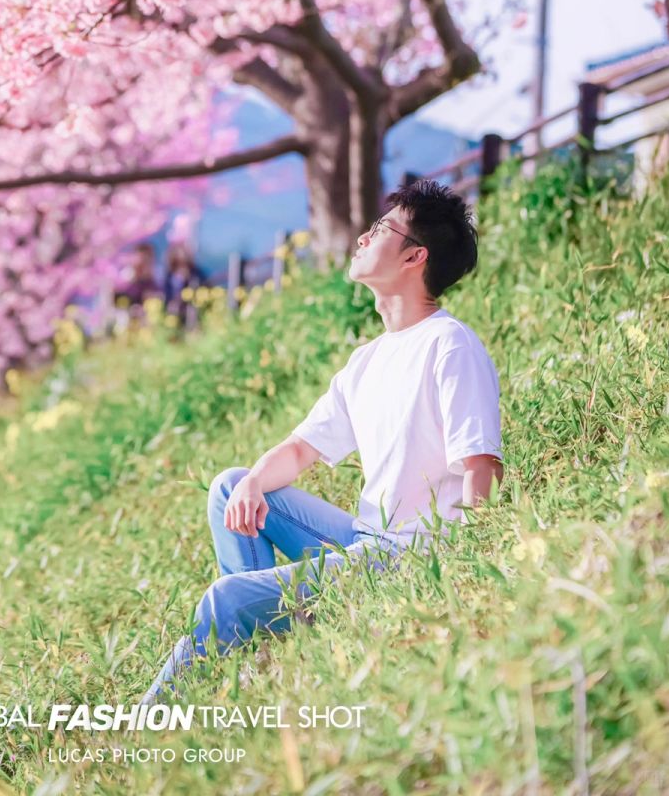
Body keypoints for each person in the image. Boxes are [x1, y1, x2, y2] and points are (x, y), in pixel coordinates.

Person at [138, 179, 503, 703]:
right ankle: (265, 647)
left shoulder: (450, 346)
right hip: (365, 540)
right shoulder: (369, 360)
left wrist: (470, 571)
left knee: (228, 597)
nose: (362, 238)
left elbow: (481, 463)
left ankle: (146, 721)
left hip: (413, 556)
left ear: (414, 256)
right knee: (232, 487)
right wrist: (253, 484)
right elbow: (300, 449)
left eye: (380, 229)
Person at [163, 241, 203, 335]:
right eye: (178, 263)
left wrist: (187, 279)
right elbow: (167, 294)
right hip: (174, 311)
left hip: (192, 310)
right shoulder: (169, 275)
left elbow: (201, 287)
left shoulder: (196, 273)